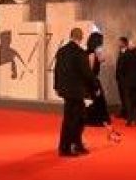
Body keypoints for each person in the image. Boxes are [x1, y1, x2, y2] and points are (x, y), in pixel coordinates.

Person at [53, 28, 93, 157]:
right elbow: (86, 73)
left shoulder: (61, 51)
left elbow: (57, 70)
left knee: (79, 117)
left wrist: (57, 87)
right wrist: (95, 86)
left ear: (70, 36)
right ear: (81, 38)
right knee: (72, 119)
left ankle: (76, 143)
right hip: (76, 91)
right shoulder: (80, 53)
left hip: (65, 90)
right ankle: (65, 148)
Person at [83, 32, 123, 144]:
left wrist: (99, 52)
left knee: (102, 109)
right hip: (91, 84)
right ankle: (80, 137)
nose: (102, 43)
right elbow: (90, 72)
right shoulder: (90, 54)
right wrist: (94, 88)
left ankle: (110, 132)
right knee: (88, 111)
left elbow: (102, 59)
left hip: (94, 83)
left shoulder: (96, 52)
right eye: (101, 41)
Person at [115, 36, 136, 126]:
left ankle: (130, 119)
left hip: (127, 82)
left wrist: (121, 80)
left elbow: (120, 70)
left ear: (129, 46)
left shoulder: (123, 56)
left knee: (129, 100)